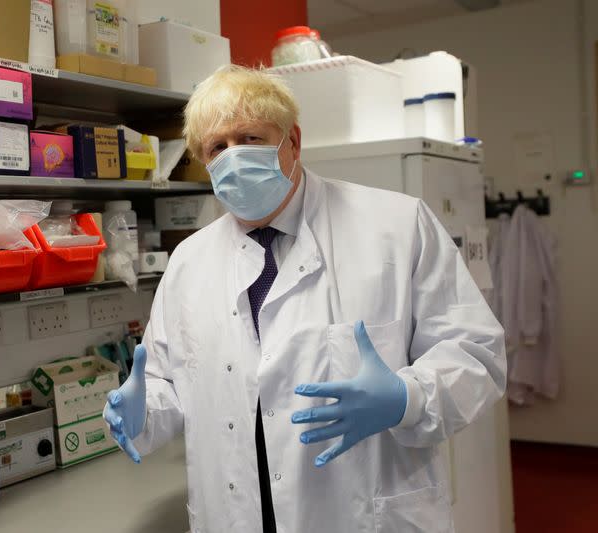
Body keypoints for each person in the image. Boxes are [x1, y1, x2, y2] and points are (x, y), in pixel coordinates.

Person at [103, 65, 506, 533]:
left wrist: (407, 398)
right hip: (235, 514)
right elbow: (169, 384)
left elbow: (477, 352)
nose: (233, 156)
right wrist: (141, 410)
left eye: (250, 138)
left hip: (361, 514)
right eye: (218, 148)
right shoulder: (189, 262)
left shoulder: (397, 226)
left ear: (292, 142)